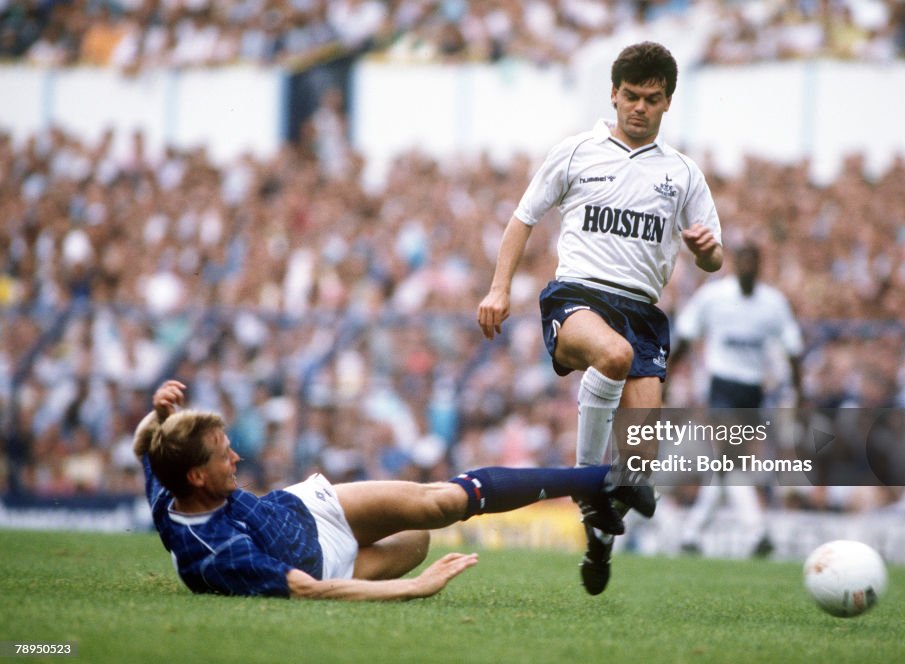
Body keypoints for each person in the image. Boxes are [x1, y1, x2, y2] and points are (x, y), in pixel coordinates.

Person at [477, 41, 723, 595]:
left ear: (667, 104)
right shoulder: (575, 153)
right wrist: (498, 288)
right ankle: (590, 485)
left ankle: (599, 540)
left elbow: (714, 256)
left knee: (640, 467)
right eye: (630, 96)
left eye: (651, 99)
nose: (638, 107)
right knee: (612, 356)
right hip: (577, 298)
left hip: (643, 311)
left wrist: (706, 248)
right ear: (613, 94)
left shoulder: (683, 175)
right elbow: (522, 220)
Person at [134, 380, 646, 601]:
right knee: (417, 543)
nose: (236, 457)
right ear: (197, 477)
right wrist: (414, 587)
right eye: (224, 453)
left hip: (305, 510)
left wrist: (158, 413)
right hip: (325, 565)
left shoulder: (169, 486)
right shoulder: (218, 552)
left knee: (439, 503)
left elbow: (145, 447)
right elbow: (309, 590)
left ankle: (602, 480)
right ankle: (600, 489)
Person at [671, 242, 804, 557]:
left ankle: (692, 533)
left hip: (752, 392)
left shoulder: (773, 303)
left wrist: (799, 392)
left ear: (759, 266)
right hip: (722, 387)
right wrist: (667, 377)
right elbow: (686, 335)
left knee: (728, 465)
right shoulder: (714, 297)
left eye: (752, 263)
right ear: (733, 264)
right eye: (741, 262)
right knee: (729, 455)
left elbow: (793, 348)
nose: (746, 268)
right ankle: (755, 531)